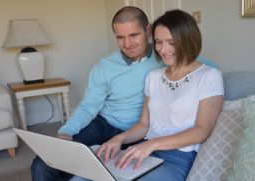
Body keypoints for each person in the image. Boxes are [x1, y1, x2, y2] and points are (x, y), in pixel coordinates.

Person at [85, 9, 224, 181]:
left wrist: (152, 144)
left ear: (188, 40)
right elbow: (144, 124)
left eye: (171, 42)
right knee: (85, 177)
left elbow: (202, 130)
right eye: (158, 42)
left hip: (177, 157)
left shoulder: (209, 76)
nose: (163, 49)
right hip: (144, 150)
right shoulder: (154, 77)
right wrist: (119, 139)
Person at [31, 6, 163, 181]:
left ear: (148, 31)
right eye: (120, 37)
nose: (127, 44)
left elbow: (203, 70)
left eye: (133, 35)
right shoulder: (104, 66)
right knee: (43, 165)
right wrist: (66, 132)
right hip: (105, 125)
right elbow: (89, 106)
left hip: (143, 131)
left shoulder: (166, 56)